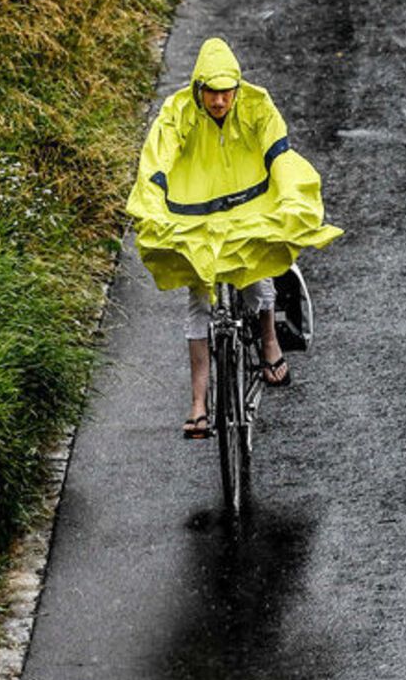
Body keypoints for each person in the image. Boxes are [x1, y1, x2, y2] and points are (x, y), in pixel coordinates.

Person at [127, 37, 341, 439]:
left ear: (236, 89)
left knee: (259, 278)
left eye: (227, 93)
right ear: (198, 89)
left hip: (249, 210)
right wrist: (151, 205)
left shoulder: (257, 107)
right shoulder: (177, 115)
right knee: (199, 302)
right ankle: (197, 404)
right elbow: (156, 163)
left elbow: (280, 156)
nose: (220, 102)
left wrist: (292, 200)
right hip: (194, 216)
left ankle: (269, 343)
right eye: (212, 93)